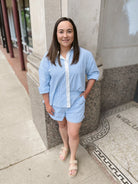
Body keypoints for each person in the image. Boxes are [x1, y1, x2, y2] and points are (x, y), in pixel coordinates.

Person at [38, 17, 99, 177]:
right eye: (61, 31)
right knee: (62, 126)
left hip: (76, 102)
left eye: (69, 31)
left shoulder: (84, 55)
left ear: (74, 34)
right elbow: (44, 84)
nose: (65, 35)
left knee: (74, 132)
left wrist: (85, 93)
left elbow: (93, 73)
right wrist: (47, 103)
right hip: (56, 102)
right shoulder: (48, 58)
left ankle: (73, 158)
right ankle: (65, 146)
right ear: (56, 34)